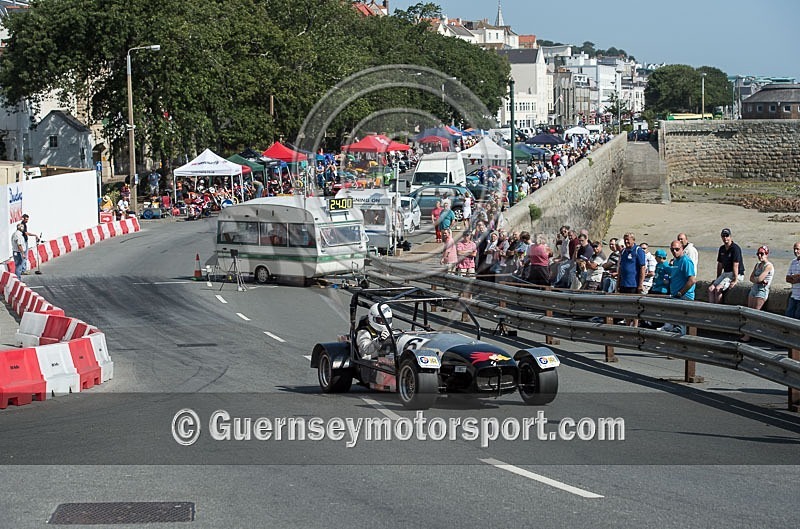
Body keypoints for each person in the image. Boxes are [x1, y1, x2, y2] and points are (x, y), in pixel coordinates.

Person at [660, 240, 696, 335]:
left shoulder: (686, 261)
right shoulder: (676, 261)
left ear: (682, 248)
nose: (674, 252)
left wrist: (680, 293)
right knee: (675, 323)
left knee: (680, 327)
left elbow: (692, 280)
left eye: (677, 249)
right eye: (672, 250)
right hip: (675, 296)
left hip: (684, 296)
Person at [740, 246, 774, 342]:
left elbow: (759, 279)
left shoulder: (769, 266)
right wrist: (758, 280)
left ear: (766, 254)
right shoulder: (757, 265)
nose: (759, 256)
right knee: (749, 312)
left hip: (762, 291)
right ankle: (747, 333)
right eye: (758, 254)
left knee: (755, 314)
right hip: (754, 289)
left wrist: (758, 280)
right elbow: (751, 278)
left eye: (762, 254)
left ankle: (748, 335)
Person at [708, 228, 745, 304]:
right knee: (711, 289)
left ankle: (718, 308)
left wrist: (735, 280)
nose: (725, 238)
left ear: (730, 236)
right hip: (726, 273)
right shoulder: (722, 249)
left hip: (736, 273)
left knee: (718, 289)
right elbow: (720, 264)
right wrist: (718, 278)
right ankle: (711, 308)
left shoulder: (735, 249)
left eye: (727, 236)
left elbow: (736, 265)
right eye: (723, 236)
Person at [786, 242, 800, 319]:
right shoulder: (793, 262)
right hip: (793, 296)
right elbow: (787, 278)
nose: (795, 251)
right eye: (794, 249)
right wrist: (796, 278)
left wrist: (793, 277)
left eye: (797, 249)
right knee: (788, 316)